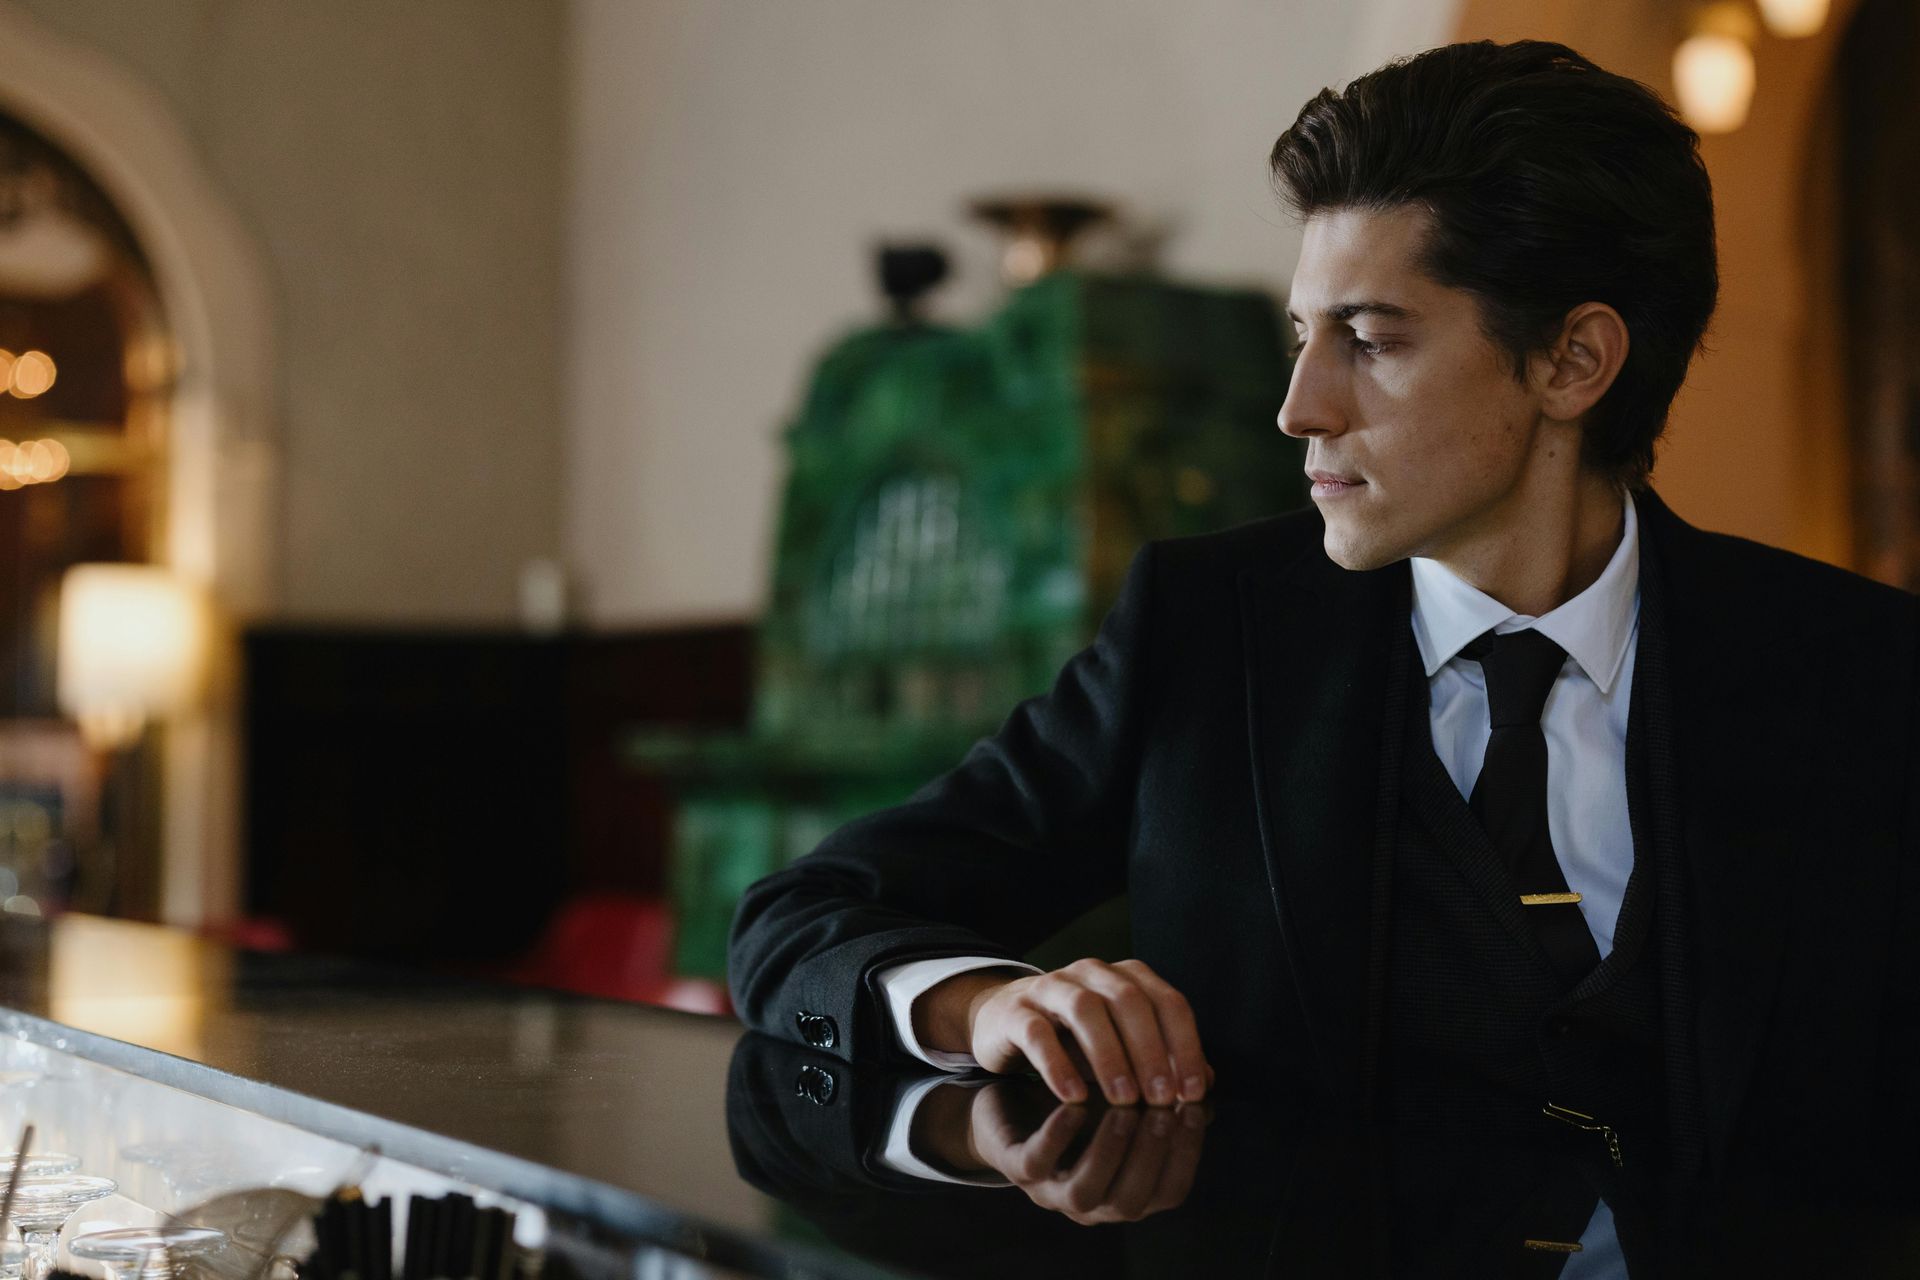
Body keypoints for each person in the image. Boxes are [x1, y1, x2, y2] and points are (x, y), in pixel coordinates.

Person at [727, 39, 1920, 1184]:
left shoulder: (1859, 673)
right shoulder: (1204, 634)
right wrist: (990, 1001)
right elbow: (797, 920)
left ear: (1574, 362)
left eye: (1368, 338)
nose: (1299, 405)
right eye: (1306, 334)